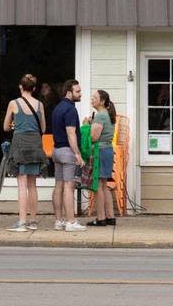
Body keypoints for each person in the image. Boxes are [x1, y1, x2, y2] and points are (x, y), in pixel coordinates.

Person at [3, 73, 46, 232]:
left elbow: (6, 127)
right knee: (32, 185)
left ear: (20, 87)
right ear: (34, 88)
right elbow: (43, 128)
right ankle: (33, 221)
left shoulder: (13, 104)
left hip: (20, 144)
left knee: (21, 185)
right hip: (35, 144)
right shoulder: (40, 105)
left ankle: (22, 222)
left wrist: (16, 124)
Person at [51, 79, 86, 232]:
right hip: (67, 151)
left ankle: (59, 221)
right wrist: (77, 154)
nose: (80, 94)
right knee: (69, 187)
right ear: (68, 92)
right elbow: (71, 133)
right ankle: (71, 222)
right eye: (77, 91)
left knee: (58, 186)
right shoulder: (71, 110)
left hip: (56, 151)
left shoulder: (57, 108)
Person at [85, 89, 117, 227]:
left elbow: (93, 137)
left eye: (95, 97)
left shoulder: (100, 116)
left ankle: (100, 218)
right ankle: (110, 217)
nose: (92, 99)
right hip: (108, 149)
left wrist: (86, 125)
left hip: (100, 151)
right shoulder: (108, 115)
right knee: (104, 185)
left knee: (97, 185)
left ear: (102, 101)